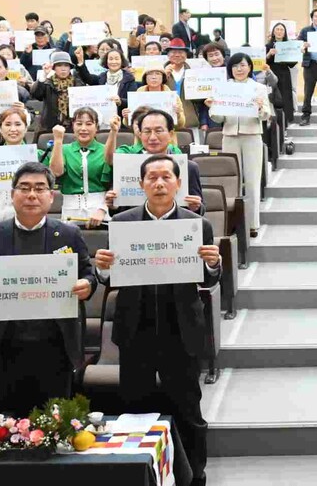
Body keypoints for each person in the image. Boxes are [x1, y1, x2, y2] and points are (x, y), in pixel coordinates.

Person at [92, 154, 219, 486]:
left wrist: (212, 264)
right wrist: (102, 268)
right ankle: (140, 476)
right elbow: (109, 278)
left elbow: (209, 279)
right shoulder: (122, 223)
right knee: (136, 410)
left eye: (166, 177)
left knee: (188, 410)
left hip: (182, 330)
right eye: (152, 178)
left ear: (178, 183)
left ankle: (194, 476)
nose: (160, 183)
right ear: (141, 184)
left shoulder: (197, 224)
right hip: (136, 328)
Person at [0, 162, 96, 416]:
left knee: (56, 422)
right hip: (5, 344)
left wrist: (87, 285)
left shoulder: (69, 234)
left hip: (56, 344)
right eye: (24, 188)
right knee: (9, 424)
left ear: (51, 196)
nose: (32, 195)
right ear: (12, 194)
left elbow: (88, 274)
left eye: (39, 188)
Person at [205, 53, 271, 236]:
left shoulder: (258, 88)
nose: (239, 69)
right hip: (230, 135)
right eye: (235, 66)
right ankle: (232, 224)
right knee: (231, 181)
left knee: (252, 180)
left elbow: (266, 114)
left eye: (242, 65)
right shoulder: (223, 88)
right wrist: (213, 107)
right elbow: (219, 118)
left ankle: (252, 224)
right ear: (230, 69)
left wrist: (260, 107)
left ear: (250, 67)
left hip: (252, 135)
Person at [106, 109, 205, 216]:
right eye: (147, 131)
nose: (152, 137)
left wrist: (196, 207)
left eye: (158, 131)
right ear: (140, 134)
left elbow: (200, 209)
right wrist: (113, 205)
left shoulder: (189, 167)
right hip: (137, 224)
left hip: (176, 224)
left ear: (170, 134)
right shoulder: (126, 166)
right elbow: (120, 211)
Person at [46, 108, 111, 228]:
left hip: (99, 212)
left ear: (97, 127)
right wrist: (58, 141)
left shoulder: (105, 150)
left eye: (89, 124)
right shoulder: (64, 149)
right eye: (79, 123)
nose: (83, 128)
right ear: (73, 126)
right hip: (70, 212)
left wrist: (103, 209)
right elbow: (56, 172)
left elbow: (114, 185)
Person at [30, 51, 87, 132]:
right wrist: (44, 75)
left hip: (72, 127)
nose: (63, 68)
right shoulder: (47, 82)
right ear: (54, 68)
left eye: (66, 65)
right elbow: (36, 94)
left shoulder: (77, 83)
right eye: (59, 65)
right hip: (50, 127)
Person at [76, 47, 136, 117]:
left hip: (122, 118)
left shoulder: (129, 78)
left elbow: (132, 101)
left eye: (116, 59)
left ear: (122, 61)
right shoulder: (102, 77)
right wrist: (81, 62)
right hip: (103, 117)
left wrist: (120, 101)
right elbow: (87, 78)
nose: (114, 62)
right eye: (110, 59)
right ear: (106, 61)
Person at [264, 22, 298, 132]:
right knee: (273, 98)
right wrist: (269, 54)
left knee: (285, 98)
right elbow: (262, 62)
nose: (279, 31)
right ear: (273, 32)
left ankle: (285, 124)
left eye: (281, 30)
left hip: (284, 74)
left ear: (285, 33)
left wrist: (298, 54)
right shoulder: (268, 46)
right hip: (272, 75)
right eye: (277, 29)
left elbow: (292, 64)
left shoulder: (288, 45)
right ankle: (274, 125)